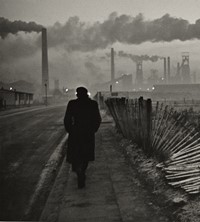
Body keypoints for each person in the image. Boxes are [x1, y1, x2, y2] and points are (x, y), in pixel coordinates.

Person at [64, 86, 101, 188]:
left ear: (77, 94)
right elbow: (97, 119)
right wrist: (93, 129)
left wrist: (70, 130)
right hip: (88, 133)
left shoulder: (72, 104)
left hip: (75, 132)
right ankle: (82, 171)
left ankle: (79, 171)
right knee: (86, 155)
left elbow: (67, 119)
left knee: (75, 154)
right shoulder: (93, 104)